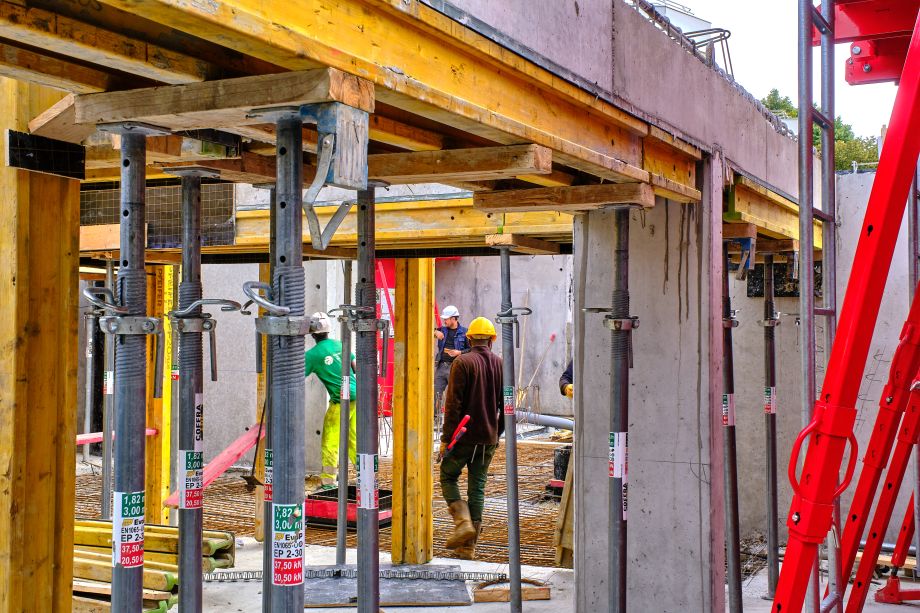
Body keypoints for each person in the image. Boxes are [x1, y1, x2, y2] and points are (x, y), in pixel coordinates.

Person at [438, 316, 503, 560]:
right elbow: (506, 406)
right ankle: (469, 547)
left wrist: (446, 439)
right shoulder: (500, 364)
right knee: (477, 487)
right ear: (491, 341)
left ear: (469, 338)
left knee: (448, 475)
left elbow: (452, 404)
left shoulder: (462, 362)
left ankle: (463, 522)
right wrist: (497, 433)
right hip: (488, 438)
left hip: (463, 438)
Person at [304, 312, 357, 488]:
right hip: (358, 396)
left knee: (330, 441)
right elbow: (355, 368)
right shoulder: (341, 345)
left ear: (312, 333)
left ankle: (328, 481)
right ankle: (365, 476)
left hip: (341, 400)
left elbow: (295, 378)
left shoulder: (312, 355)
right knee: (354, 439)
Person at [433, 305, 469, 411]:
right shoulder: (442, 330)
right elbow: (425, 328)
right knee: (436, 394)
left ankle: (455, 419)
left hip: (456, 367)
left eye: (446, 319)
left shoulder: (465, 332)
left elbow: (471, 349)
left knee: (455, 396)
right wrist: (435, 332)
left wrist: (459, 352)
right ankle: (435, 419)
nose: (444, 321)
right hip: (441, 366)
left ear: (453, 318)